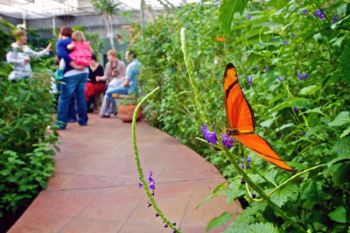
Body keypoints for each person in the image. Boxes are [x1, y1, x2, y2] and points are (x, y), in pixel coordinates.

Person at [55, 26, 89, 130]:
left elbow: (62, 55)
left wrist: (74, 65)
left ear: (61, 33)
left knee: (65, 98)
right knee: (80, 97)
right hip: (84, 72)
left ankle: (60, 123)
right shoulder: (80, 41)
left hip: (70, 73)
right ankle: (83, 120)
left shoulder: (61, 42)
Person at [101, 50, 141, 117]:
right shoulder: (140, 64)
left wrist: (121, 85)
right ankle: (111, 110)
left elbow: (126, 83)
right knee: (111, 88)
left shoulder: (130, 66)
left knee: (108, 92)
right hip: (136, 88)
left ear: (131, 56)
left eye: (126, 56)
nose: (126, 57)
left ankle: (114, 109)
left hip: (130, 89)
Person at [99, 50, 126, 117]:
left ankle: (108, 111)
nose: (108, 58)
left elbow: (124, 76)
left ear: (113, 56)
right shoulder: (108, 65)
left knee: (109, 92)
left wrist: (116, 75)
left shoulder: (121, 64)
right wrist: (100, 78)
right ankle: (106, 112)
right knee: (107, 95)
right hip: (111, 84)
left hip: (119, 84)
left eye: (108, 56)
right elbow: (106, 76)